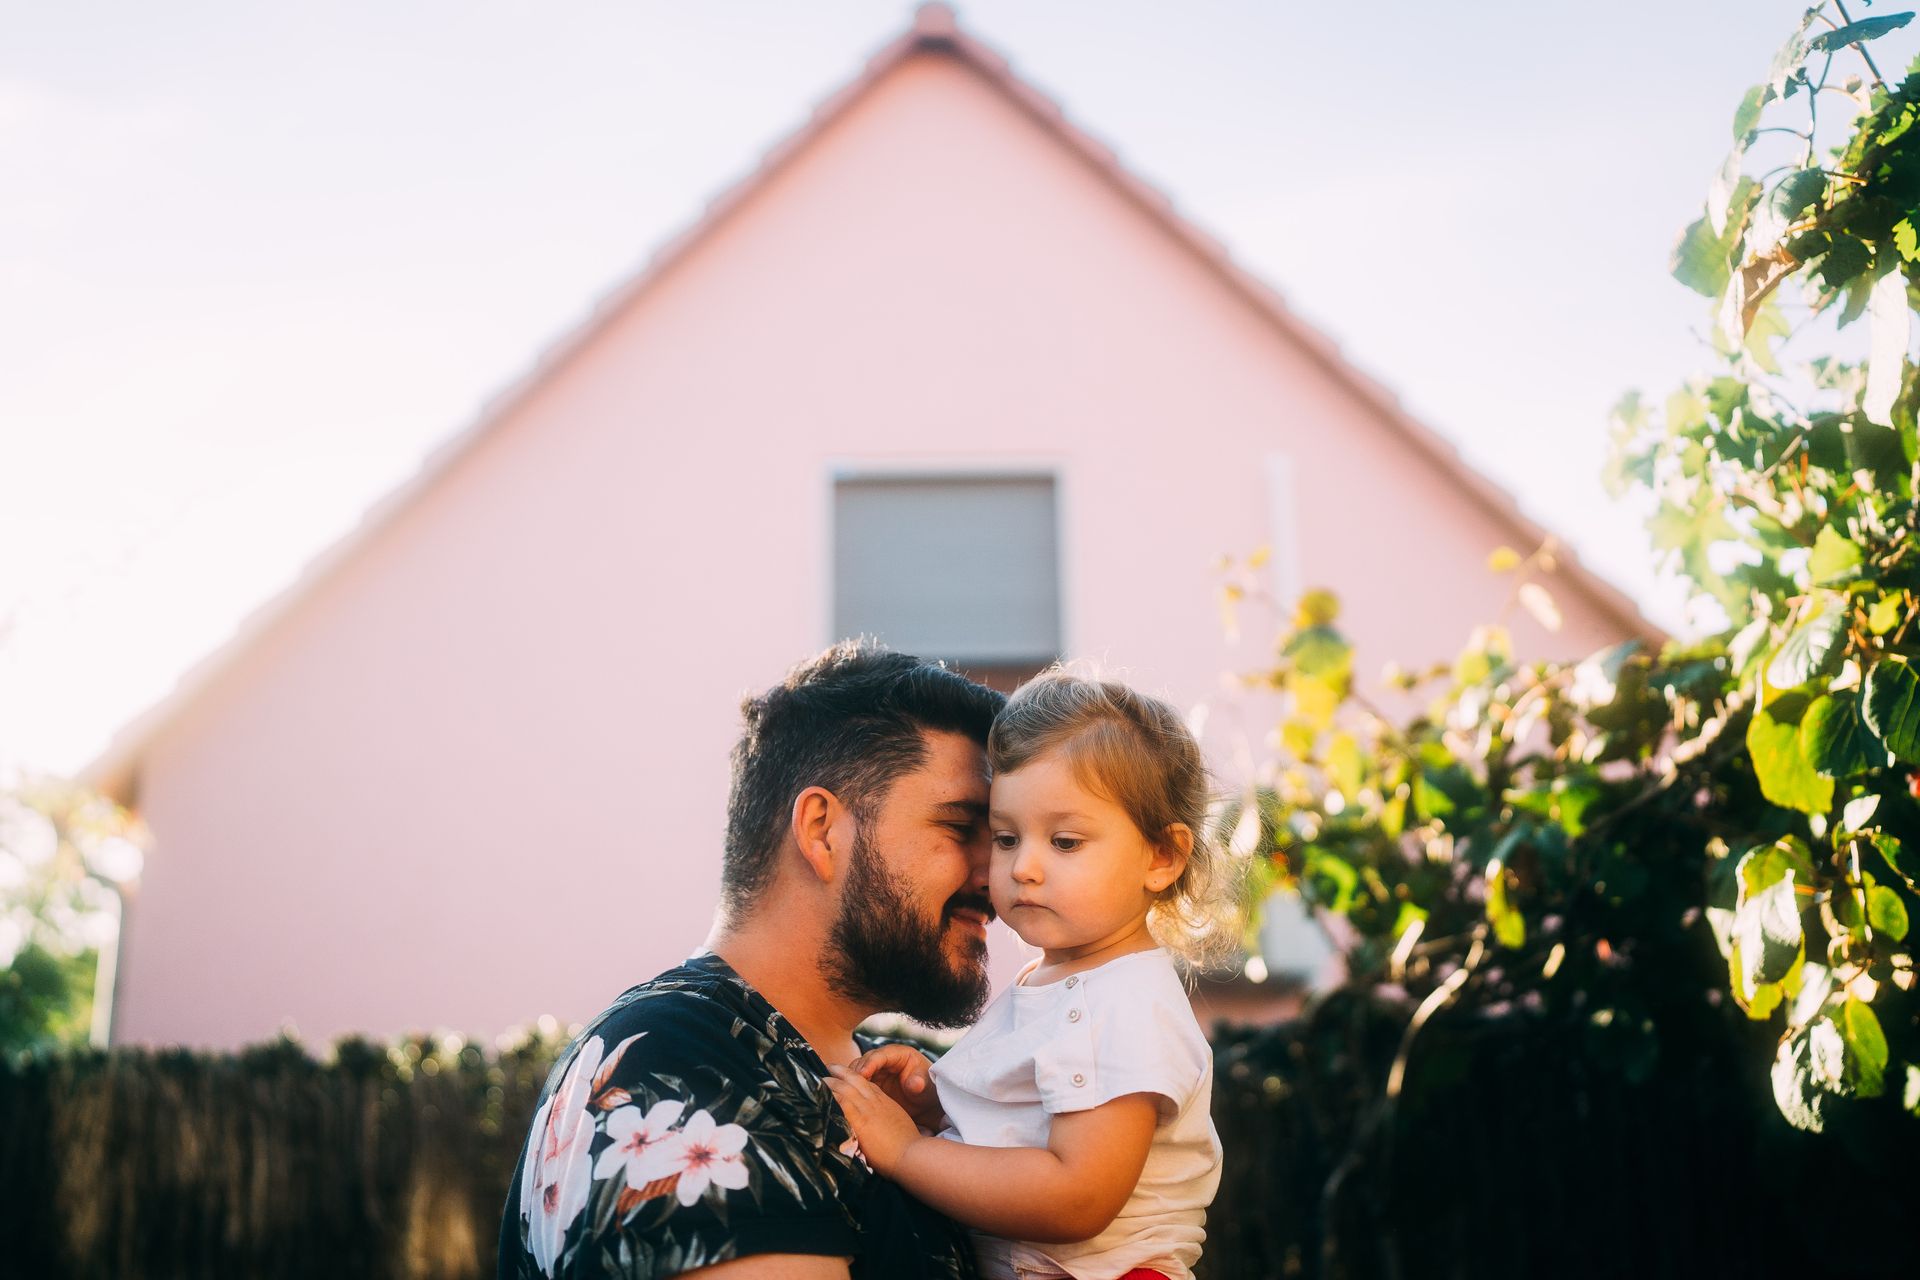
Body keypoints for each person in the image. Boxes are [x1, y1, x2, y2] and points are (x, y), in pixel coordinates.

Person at [498, 641, 1006, 1279]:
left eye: (1006, 839)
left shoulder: (893, 1084)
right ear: (821, 830)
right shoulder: (677, 1075)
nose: (1002, 877)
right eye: (962, 829)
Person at [823, 673, 1239, 1280]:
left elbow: (1076, 1196)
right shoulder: (1057, 981)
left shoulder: (1125, 1003)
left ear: (1161, 857)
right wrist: (936, 1102)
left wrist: (909, 1152)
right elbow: (1025, 1123)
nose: (1024, 868)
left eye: (1066, 841)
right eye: (1007, 838)